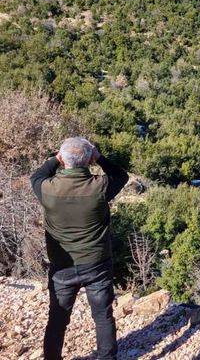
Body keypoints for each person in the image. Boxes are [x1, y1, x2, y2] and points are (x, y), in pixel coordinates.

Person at [30, 137, 129, 360]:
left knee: (57, 318)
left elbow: (36, 176)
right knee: (103, 316)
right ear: (90, 160)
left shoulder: (47, 189)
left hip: (62, 267)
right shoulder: (100, 186)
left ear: (63, 159)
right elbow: (121, 176)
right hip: (97, 264)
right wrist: (100, 157)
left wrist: (55, 160)